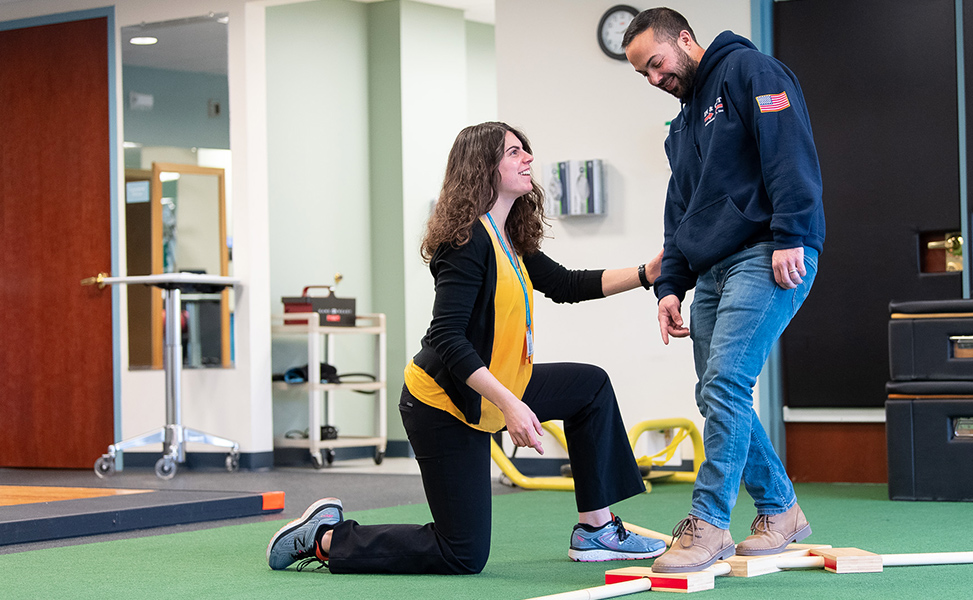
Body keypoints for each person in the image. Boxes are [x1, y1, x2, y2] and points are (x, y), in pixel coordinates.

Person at [266, 121, 667, 575]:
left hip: (495, 386)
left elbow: (563, 284)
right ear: (484, 167)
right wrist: (512, 406)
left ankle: (595, 531)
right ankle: (325, 537)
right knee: (463, 553)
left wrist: (643, 274)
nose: (528, 158)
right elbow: (447, 337)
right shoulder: (466, 241)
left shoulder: (508, 235)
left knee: (589, 386)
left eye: (525, 151)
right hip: (442, 403)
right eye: (514, 152)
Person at [621, 7, 826, 573]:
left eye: (657, 64)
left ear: (685, 40)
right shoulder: (683, 126)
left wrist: (792, 233)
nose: (655, 80)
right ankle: (782, 511)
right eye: (644, 75)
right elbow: (679, 209)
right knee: (715, 392)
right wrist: (670, 285)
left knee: (727, 383)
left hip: (769, 251)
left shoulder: (752, 72)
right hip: (710, 269)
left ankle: (709, 524)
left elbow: (790, 154)